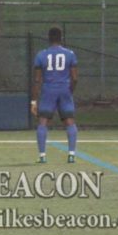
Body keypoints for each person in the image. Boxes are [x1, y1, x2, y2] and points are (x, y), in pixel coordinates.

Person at [31, 27, 79, 164]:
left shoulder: (41, 55)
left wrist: (34, 101)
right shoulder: (70, 54)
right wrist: (70, 90)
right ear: (61, 38)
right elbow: (75, 78)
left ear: (49, 39)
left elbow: (37, 79)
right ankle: (71, 155)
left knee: (43, 122)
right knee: (69, 121)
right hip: (64, 89)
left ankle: (42, 156)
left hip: (48, 90)